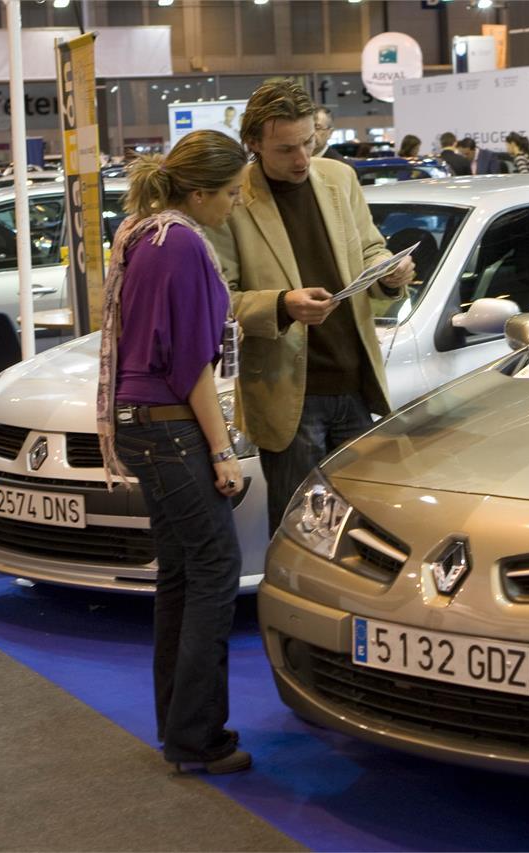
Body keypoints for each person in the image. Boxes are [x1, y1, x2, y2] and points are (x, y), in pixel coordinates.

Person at [95, 130, 252, 776]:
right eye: (232, 192)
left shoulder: (141, 233)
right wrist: (222, 450)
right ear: (198, 191)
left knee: (182, 574)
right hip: (168, 426)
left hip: (139, 425)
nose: (237, 204)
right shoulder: (182, 242)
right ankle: (197, 735)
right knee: (216, 568)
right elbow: (190, 365)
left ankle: (180, 726)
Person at [208, 79, 415, 533]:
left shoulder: (339, 178)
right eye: (286, 149)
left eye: (309, 142)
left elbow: (368, 249)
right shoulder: (233, 197)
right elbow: (219, 301)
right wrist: (283, 305)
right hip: (289, 396)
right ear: (254, 143)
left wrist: (388, 272)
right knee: (300, 532)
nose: (302, 158)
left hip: (356, 383)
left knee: (363, 531)